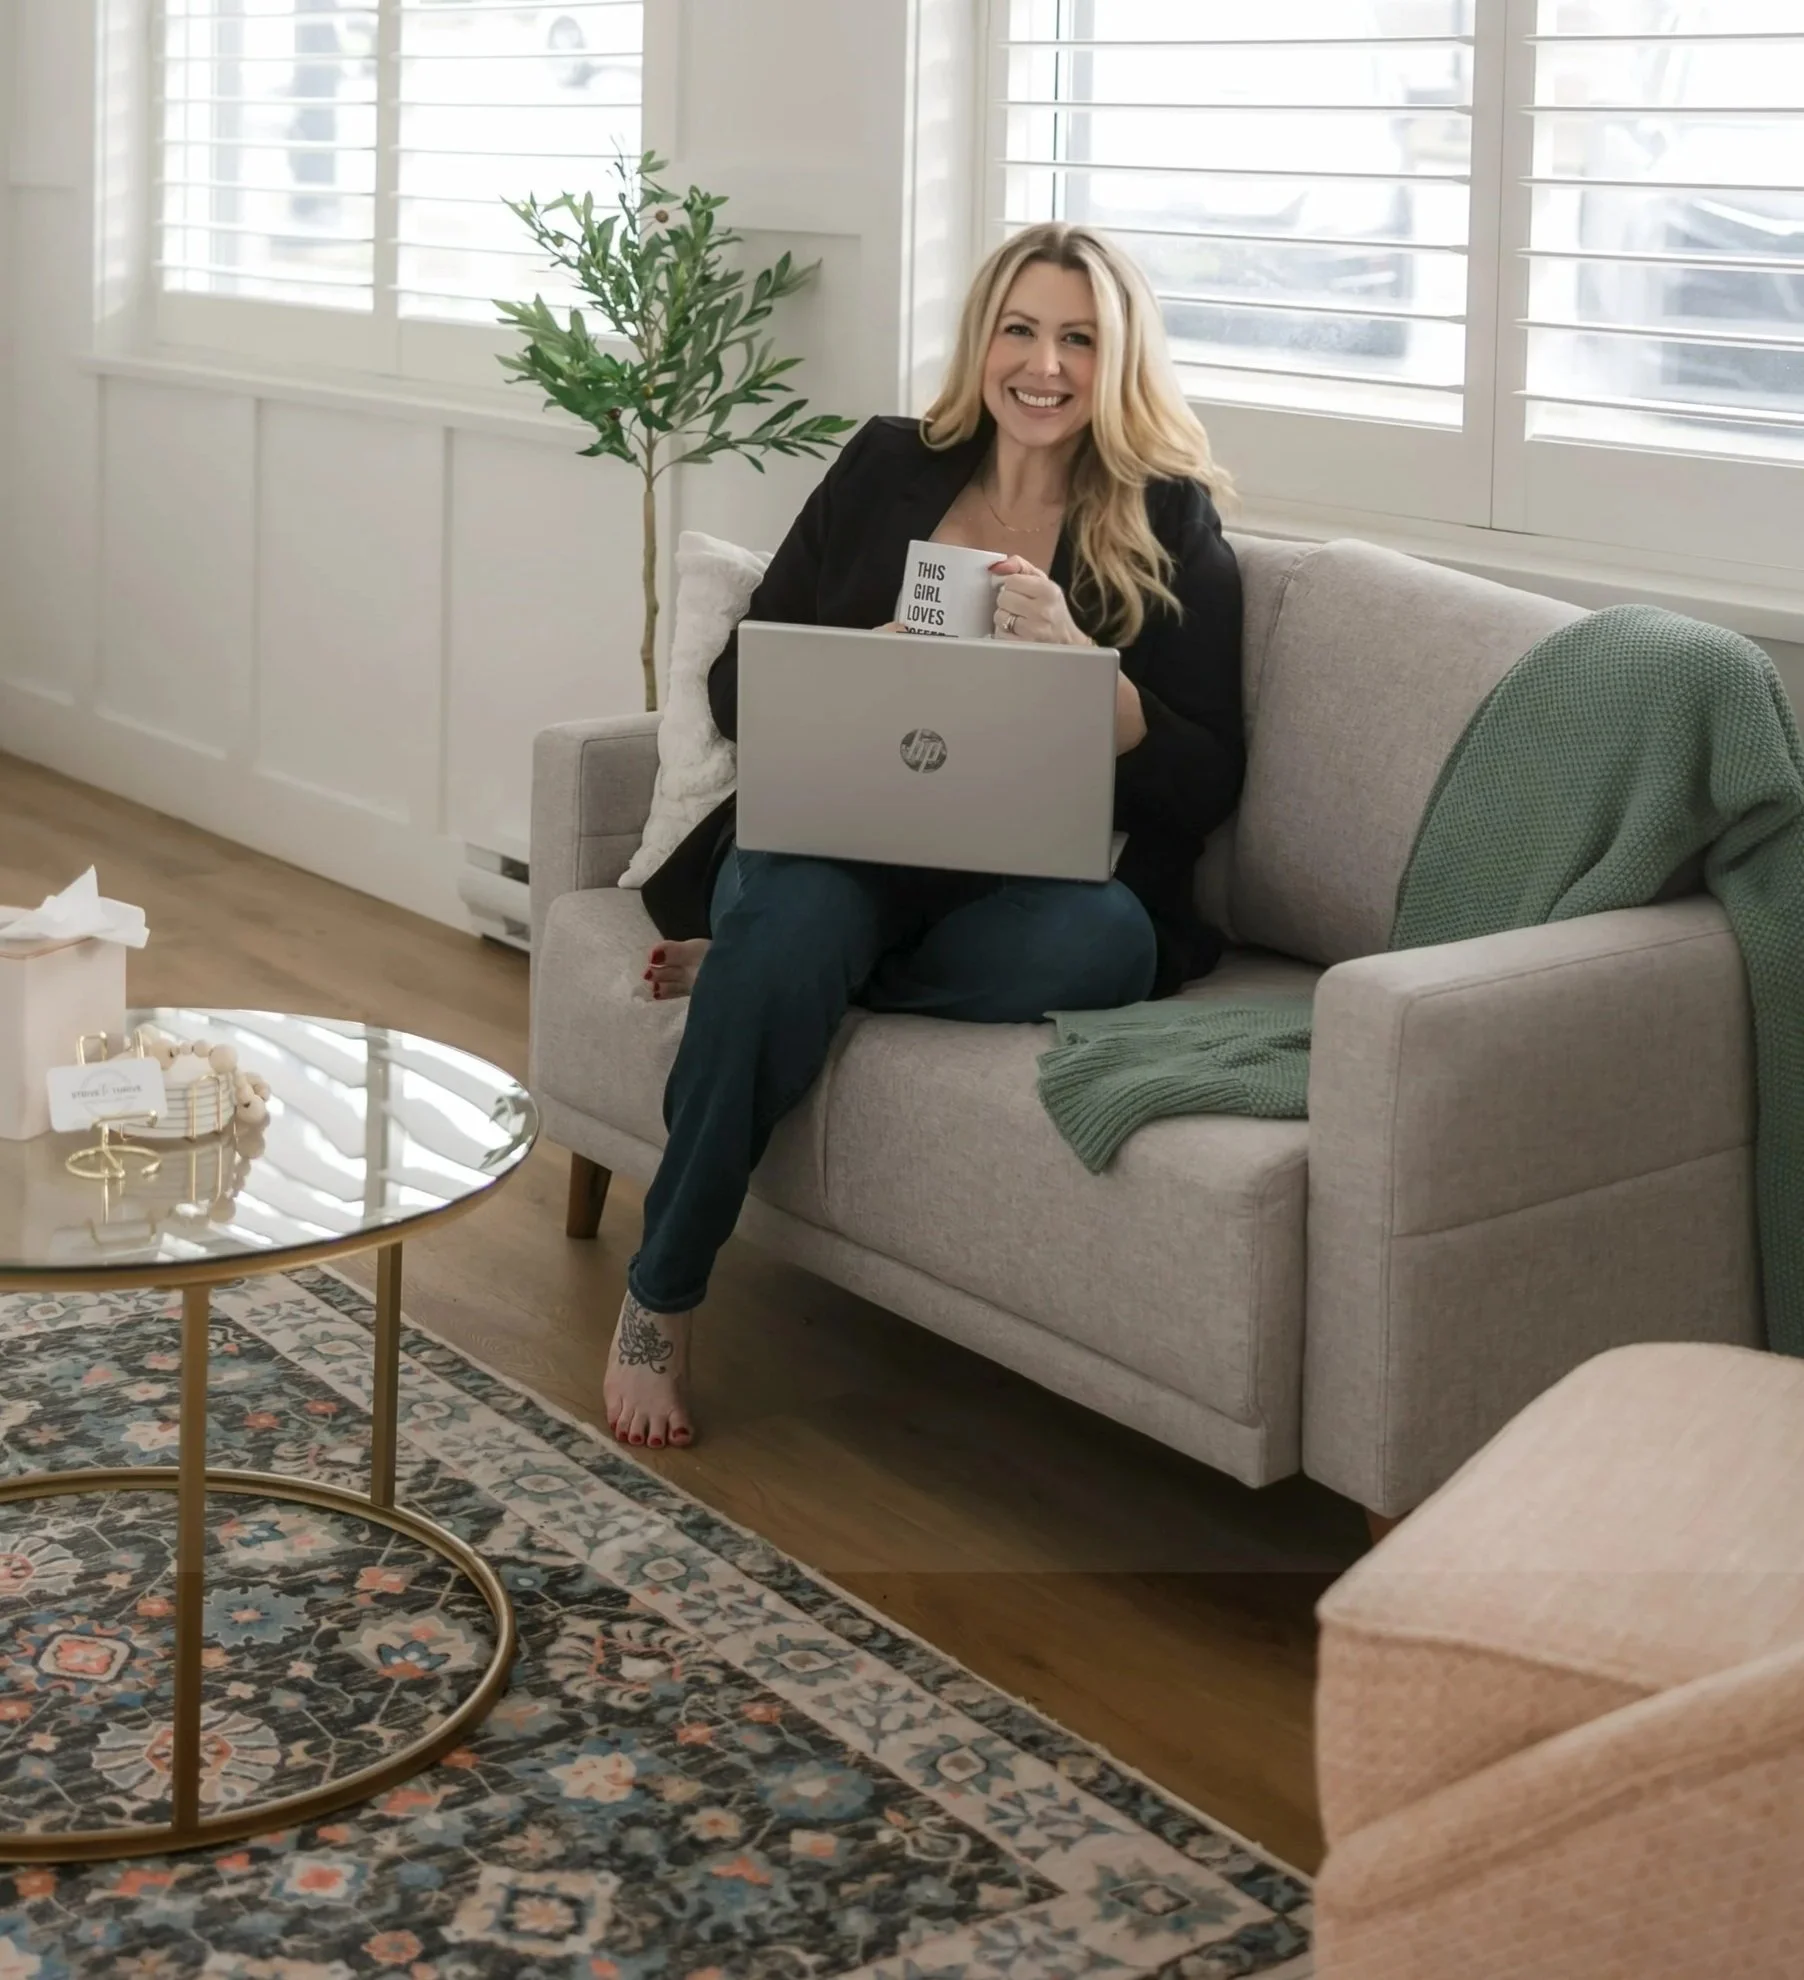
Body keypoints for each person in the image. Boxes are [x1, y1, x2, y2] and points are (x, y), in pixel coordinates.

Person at [609, 222, 1245, 1451]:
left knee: (1108, 945)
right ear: (980, 341)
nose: (1044, 366)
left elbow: (1209, 778)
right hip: (831, 845)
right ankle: (661, 1292)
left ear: (1117, 358)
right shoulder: (886, 464)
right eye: (1020, 330)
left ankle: (767, 969)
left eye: (1078, 339)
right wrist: (865, 665)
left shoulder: (1169, 518)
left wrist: (1092, 675)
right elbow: (738, 688)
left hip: (1013, 887)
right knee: (797, 913)